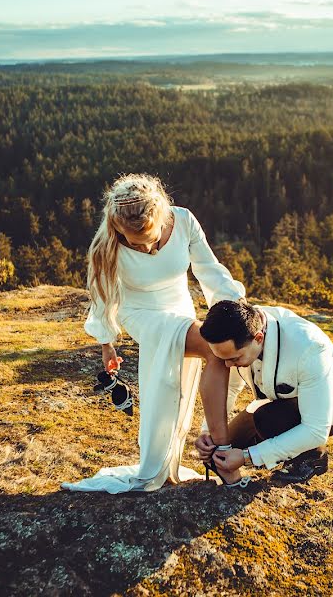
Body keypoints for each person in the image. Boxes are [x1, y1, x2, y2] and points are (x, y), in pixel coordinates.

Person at [60, 174, 245, 493]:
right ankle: (219, 452)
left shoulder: (184, 221)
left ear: (162, 216)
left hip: (180, 305)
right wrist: (108, 345)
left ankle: (208, 444)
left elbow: (208, 270)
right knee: (214, 350)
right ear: (118, 229)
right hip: (142, 314)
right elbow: (103, 297)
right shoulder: (105, 247)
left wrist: (235, 308)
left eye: (151, 238)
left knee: (225, 359)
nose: (146, 248)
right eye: (135, 243)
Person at [195, 300, 333, 484]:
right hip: (275, 401)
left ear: (258, 338)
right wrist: (208, 431)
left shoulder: (309, 347)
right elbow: (230, 387)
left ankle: (312, 457)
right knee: (223, 447)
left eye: (234, 359)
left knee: (268, 420)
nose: (227, 366)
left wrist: (247, 456)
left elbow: (315, 429)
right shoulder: (239, 329)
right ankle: (280, 444)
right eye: (222, 359)